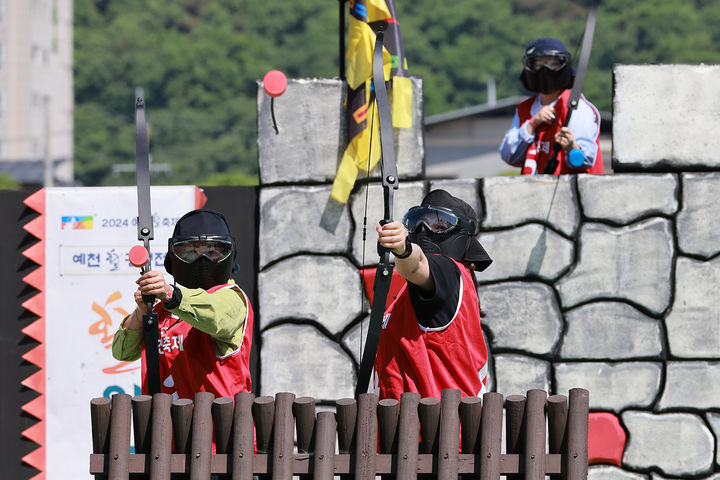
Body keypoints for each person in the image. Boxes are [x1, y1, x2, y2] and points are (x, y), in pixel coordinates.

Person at [112, 208, 253, 400]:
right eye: (191, 251)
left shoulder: (232, 299)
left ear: (228, 254)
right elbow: (123, 352)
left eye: (212, 251)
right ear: (174, 256)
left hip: (222, 425)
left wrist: (170, 294)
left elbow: (214, 314)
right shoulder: (162, 307)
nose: (202, 260)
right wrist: (141, 311)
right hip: (166, 426)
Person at [373, 189, 493, 400]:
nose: (424, 231)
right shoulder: (440, 283)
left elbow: (416, 264)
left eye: (440, 226)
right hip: (417, 425)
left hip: (435, 428)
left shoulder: (450, 273)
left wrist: (403, 249)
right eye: (418, 223)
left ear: (463, 236)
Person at [499, 37, 604, 175]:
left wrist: (572, 148)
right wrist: (532, 125)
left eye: (552, 64)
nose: (545, 70)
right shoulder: (524, 110)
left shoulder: (575, 107)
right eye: (539, 64)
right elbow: (509, 156)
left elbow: (585, 160)